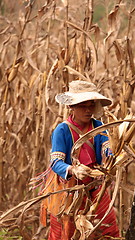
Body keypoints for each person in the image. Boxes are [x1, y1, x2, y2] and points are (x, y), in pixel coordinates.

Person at [38, 80, 119, 239]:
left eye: (91, 105)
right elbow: (56, 163)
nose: (88, 110)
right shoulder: (62, 130)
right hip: (68, 191)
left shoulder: (98, 126)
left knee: (107, 228)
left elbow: (107, 148)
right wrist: (73, 169)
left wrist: (111, 157)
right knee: (64, 233)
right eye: (83, 106)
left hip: (96, 189)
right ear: (71, 106)